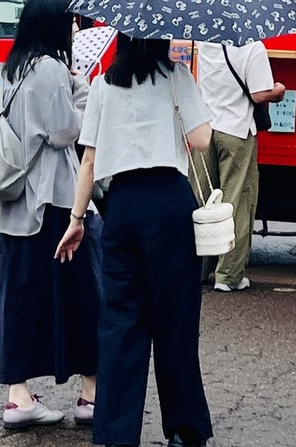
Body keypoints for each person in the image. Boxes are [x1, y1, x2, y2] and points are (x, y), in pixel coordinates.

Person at [56, 35, 214, 447]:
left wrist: (76, 219)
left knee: (120, 322)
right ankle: (184, 429)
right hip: (170, 203)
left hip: (122, 205)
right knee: (175, 321)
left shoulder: (106, 84)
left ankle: (115, 434)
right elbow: (202, 140)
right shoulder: (177, 75)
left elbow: (89, 159)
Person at [0, 0, 99, 431]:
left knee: (21, 299)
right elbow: (65, 131)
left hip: (17, 206)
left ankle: (18, 398)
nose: (75, 27)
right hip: (54, 202)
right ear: (54, 23)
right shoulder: (54, 69)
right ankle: (92, 393)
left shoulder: (13, 67)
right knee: (84, 296)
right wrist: (84, 90)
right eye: (71, 21)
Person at [195, 41, 285, 292]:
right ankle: (228, 275)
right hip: (236, 130)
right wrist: (278, 90)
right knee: (235, 202)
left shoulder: (205, 43)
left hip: (205, 128)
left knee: (203, 201)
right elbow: (259, 94)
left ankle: (199, 269)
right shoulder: (252, 47)